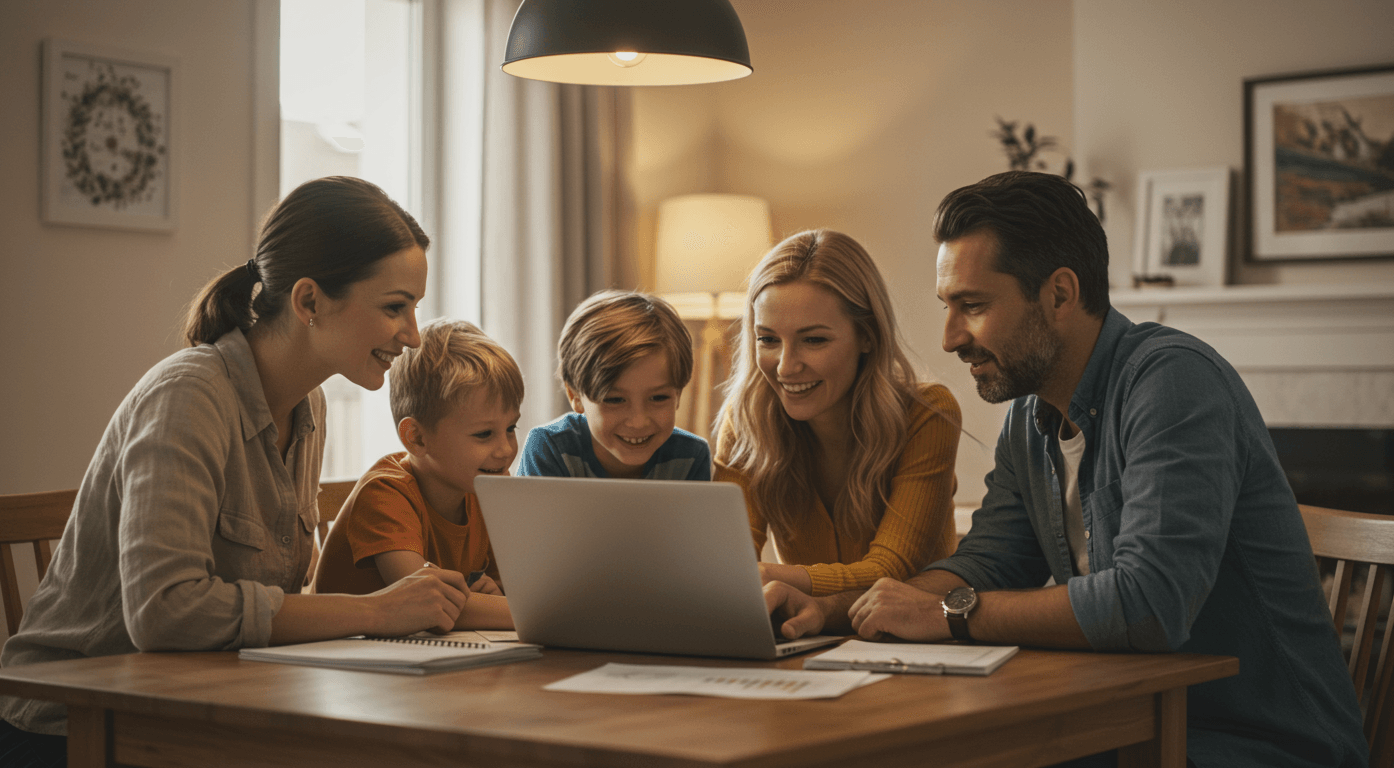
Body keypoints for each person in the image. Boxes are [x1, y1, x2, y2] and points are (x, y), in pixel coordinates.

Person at [765, 173, 1368, 767]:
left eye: (972, 306)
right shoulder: (1030, 418)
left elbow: (1149, 602)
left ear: (1059, 294)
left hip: (1263, 741)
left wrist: (952, 615)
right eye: (948, 307)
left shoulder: (1173, 382)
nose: (950, 338)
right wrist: (836, 610)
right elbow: (988, 562)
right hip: (1132, 721)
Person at [0, 177, 473, 765]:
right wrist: (378, 610)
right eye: (395, 307)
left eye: (415, 308)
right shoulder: (188, 396)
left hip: (199, 707)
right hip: (69, 732)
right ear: (309, 302)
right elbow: (163, 611)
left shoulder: (307, 404)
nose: (413, 336)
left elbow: (277, 595)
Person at [714, 229, 962, 597]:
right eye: (768, 339)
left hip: (915, 644)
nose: (785, 367)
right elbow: (726, 563)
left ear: (868, 337)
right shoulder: (748, 418)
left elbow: (888, 572)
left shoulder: (927, 414)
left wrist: (768, 575)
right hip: (801, 635)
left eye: (813, 340)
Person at [313, 318, 517, 630]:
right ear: (417, 438)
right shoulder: (385, 494)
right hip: (343, 659)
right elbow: (427, 603)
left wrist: (494, 593)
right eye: (484, 434)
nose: (505, 450)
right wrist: (542, 615)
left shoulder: (484, 490)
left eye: (511, 428)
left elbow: (513, 591)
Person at [517, 290, 711, 481]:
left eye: (658, 397)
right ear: (575, 396)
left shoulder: (691, 457)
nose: (638, 422)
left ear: (678, 394)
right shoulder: (550, 448)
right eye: (615, 400)